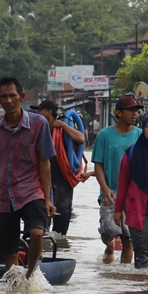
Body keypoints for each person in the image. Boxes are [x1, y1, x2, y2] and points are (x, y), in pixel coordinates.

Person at [0, 77, 57, 280]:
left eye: (12, 96)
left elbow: (44, 163)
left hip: (32, 191)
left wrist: (48, 199)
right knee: (9, 251)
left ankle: (31, 276)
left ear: (21, 97)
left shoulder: (38, 124)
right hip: (4, 196)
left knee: (37, 233)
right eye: (4, 97)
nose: (8, 100)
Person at [91, 95, 143, 264]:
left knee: (129, 238)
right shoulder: (104, 135)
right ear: (119, 113)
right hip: (110, 194)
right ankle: (110, 246)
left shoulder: (141, 135)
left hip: (133, 196)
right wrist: (105, 188)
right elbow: (98, 164)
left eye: (136, 110)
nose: (134, 114)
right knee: (107, 231)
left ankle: (123, 277)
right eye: (130, 110)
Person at [113, 114, 148, 269]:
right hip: (136, 207)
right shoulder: (131, 154)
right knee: (142, 253)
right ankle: (141, 288)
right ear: (143, 129)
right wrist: (117, 210)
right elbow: (122, 184)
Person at [30, 100, 85, 236]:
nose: (37, 113)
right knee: (41, 224)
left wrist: (61, 125)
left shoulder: (63, 130)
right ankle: (42, 250)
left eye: (40, 110)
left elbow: (81, 139)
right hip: (42, 181)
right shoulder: (36, 129)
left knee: (61, 224)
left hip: (62, 181)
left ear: (49, 112)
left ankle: (59, 252)